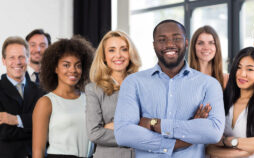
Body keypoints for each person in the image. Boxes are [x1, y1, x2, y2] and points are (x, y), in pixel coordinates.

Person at [114, 19, 225, 158]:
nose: (170, 44)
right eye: (162, 40)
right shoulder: (133, 83)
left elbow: (213, 132)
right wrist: (183, 138)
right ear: (154, 45)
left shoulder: (209, 84)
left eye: (176, 38)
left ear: (186, 42)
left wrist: (155, 124)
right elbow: (124, 134)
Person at [206, 47, 254, 158]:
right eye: (239, 68)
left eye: (250, 69)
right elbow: (208, 146)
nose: (242, 74)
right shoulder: (222, 101)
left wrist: (228, 141)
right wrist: (248, 149)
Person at [32, 36, 94, 158]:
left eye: (78, 65)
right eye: (66, 65)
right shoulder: (46, 102)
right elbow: (38, 151)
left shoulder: (89, 99)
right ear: (55, 68)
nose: (73, 70)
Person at [85, 30, 141, 158]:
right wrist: (133, 134)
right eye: (111, 50)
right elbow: (94, 133)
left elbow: (152, 124)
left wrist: (116, 126)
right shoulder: (93, 90)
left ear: (130, 53)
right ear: (104, 56)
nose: (118, 55)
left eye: (124, 49)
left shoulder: (142, 86)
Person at [0, 36, 44, 158]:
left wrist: (16, 120)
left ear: (28, 59)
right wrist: (34, 124)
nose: (17, 62)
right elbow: (3, 132)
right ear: (4, 60)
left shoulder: (40, 90)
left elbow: (47, 124)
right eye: (12, 58)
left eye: (21, 57)